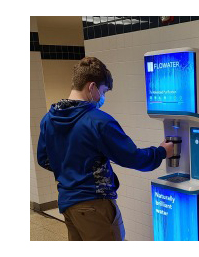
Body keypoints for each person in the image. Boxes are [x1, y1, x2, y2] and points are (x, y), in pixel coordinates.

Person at [36, 57, 174, 241]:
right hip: (95, 206)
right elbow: (132, 157)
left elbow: (44, 158)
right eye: (103, 91)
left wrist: (71, 168)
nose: (103, 98)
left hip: (68, 204)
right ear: (91, 87)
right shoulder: (97, 120)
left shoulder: (49, 119)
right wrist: (161, 152)